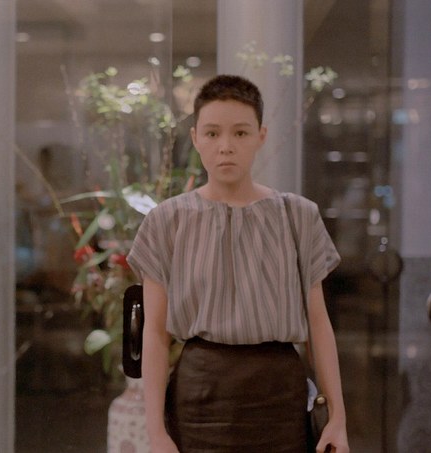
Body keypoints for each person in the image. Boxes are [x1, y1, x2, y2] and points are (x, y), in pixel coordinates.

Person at [126, 74, 349, 452]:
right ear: (195, 137)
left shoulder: (298, 216)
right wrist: (156, 433)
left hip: (280, 398)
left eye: (241, 133)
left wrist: (338, 420)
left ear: (261, 136)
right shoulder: (167, 220)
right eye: (212, 133)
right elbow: (155, 334)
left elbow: (318, 325)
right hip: (199, 396)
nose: (226, 146)